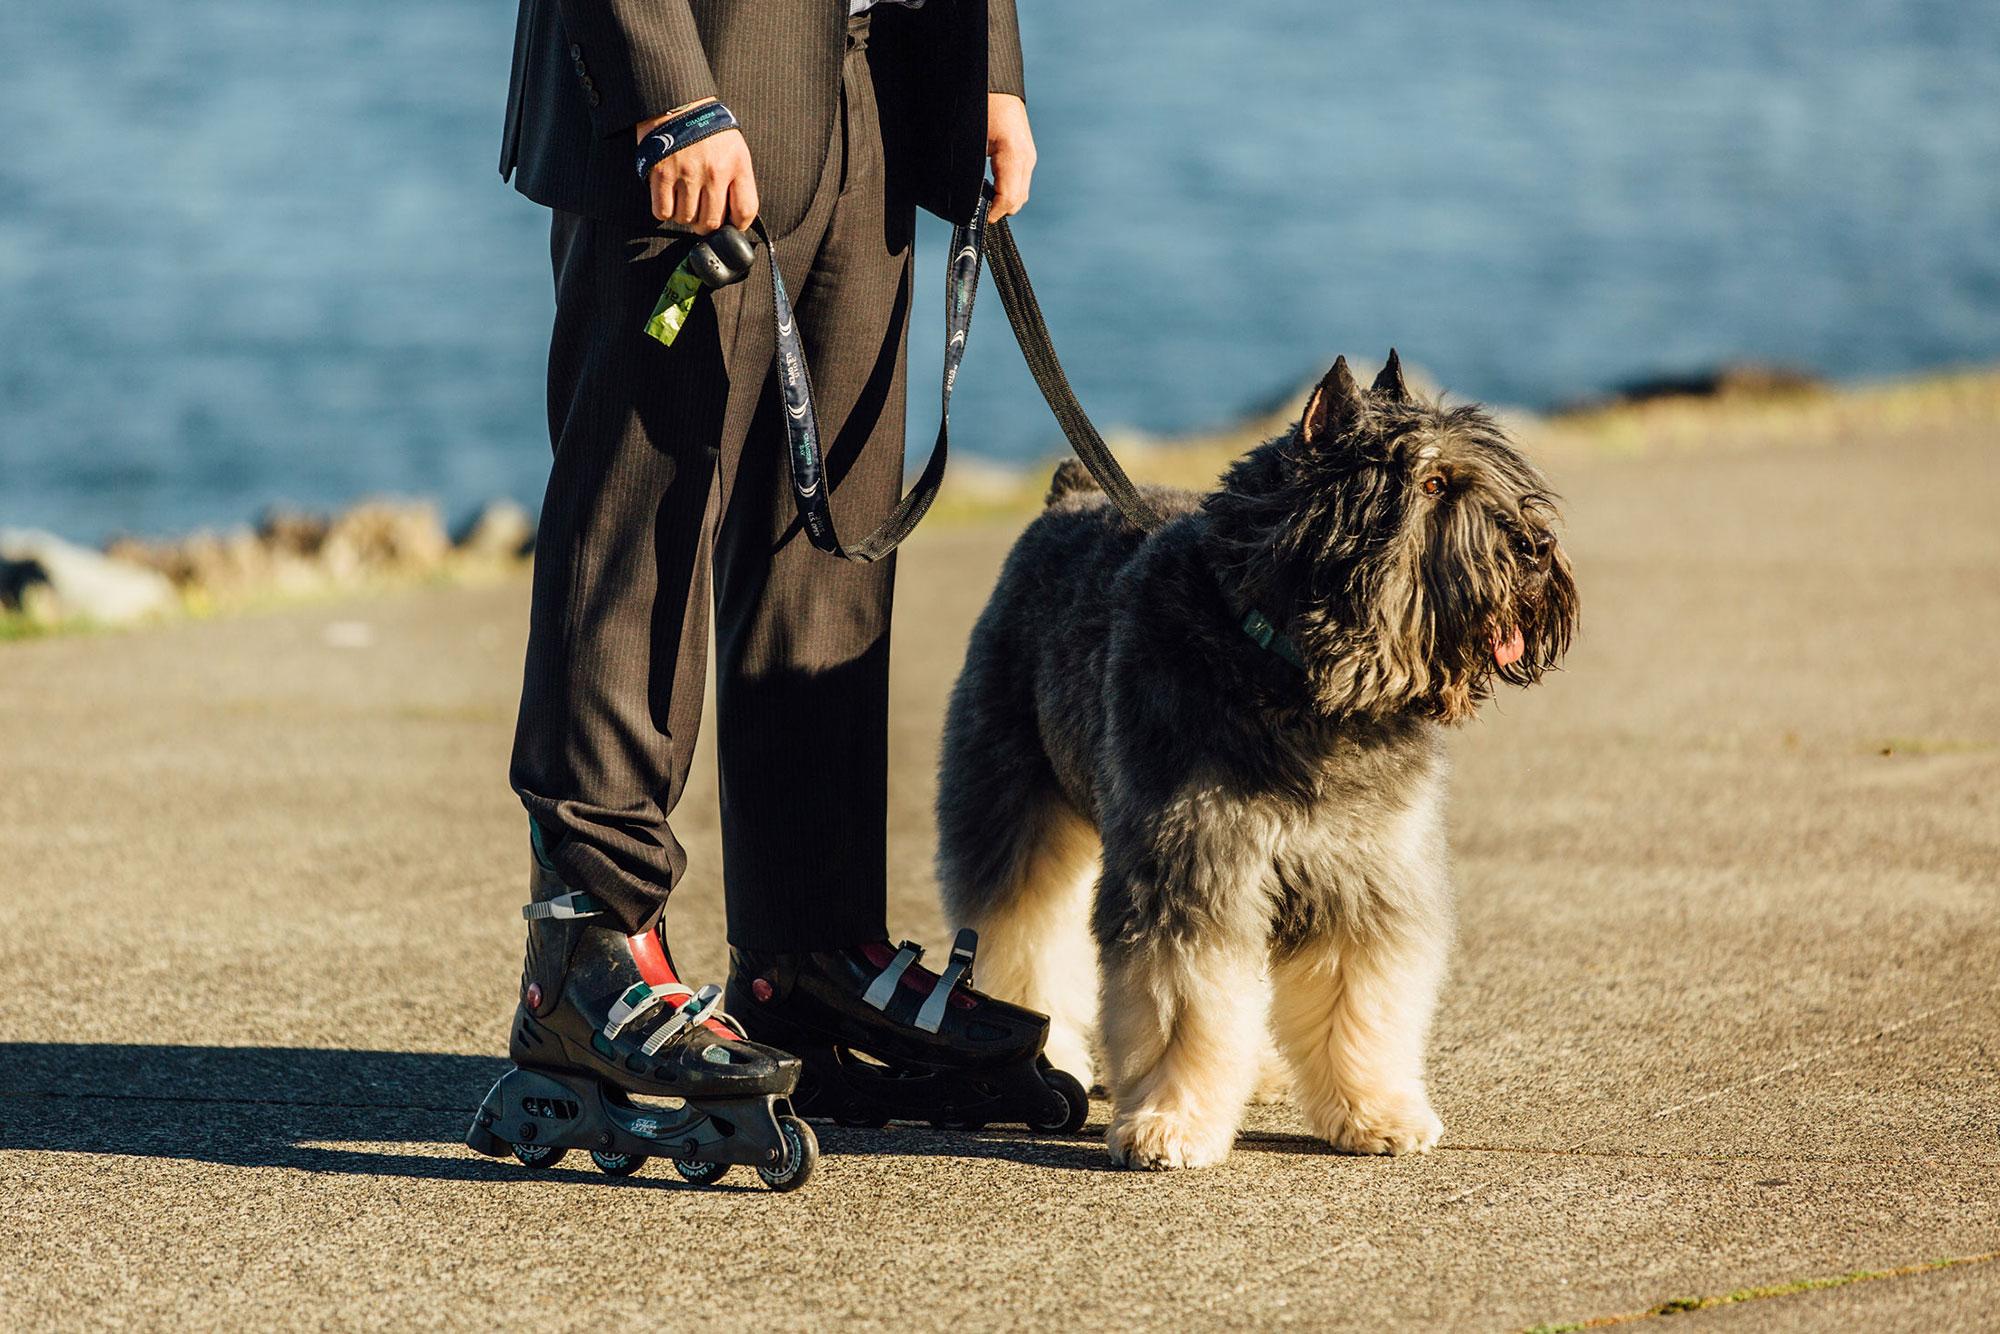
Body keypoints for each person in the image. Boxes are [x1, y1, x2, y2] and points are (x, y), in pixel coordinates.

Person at [485, 0, 1085, 1148]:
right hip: (685, 103)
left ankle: (807, 957)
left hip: (876, 84)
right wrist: (664, 84)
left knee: (825, 550)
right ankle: (587, 946)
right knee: (638, 541)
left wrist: (985, 68)